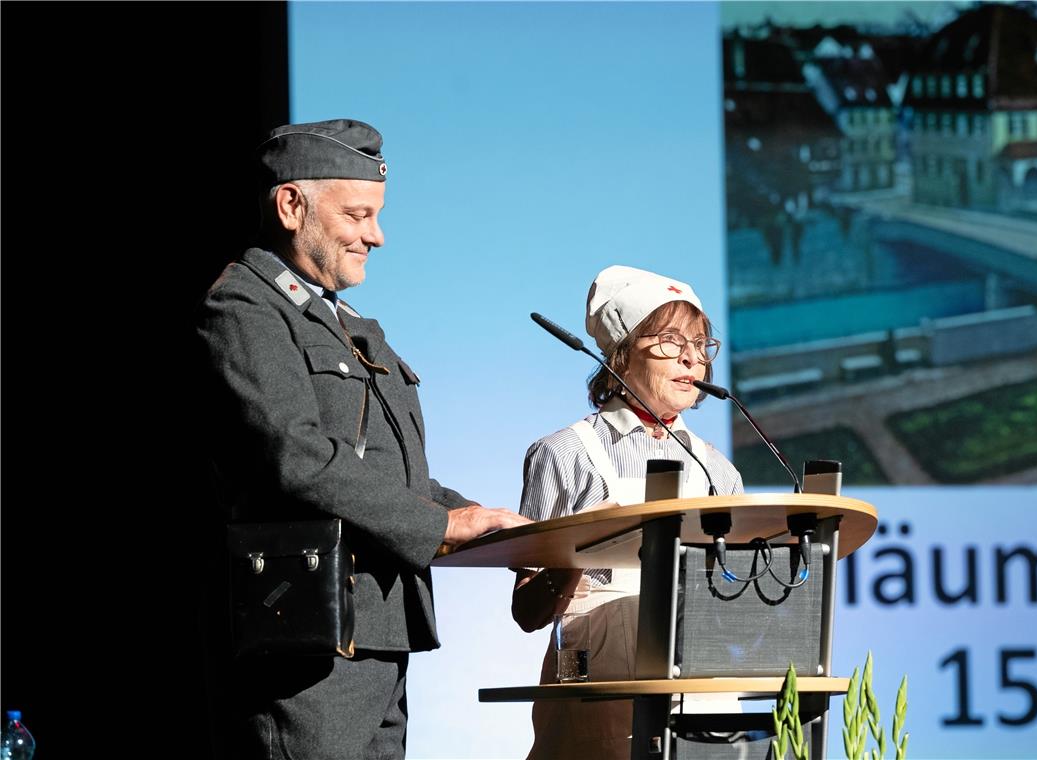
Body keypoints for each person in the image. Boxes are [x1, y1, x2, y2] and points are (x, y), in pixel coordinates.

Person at [195, 118, 530, 760]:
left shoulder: (347, 324)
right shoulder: (244, 308)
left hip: (376, 630)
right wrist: (437, 526)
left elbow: (391, 477)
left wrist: (495, 528)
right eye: (357, 215)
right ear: (292, 206)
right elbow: (297, 459)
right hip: (305, 637)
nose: (376, 235)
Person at [511, 265, 745, 760]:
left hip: (696, 692)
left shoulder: (718, 473)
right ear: (619, 353)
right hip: (585, 672)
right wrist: (581, 547)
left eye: (702, 344)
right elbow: (527, 611)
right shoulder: (564, 454)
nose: (691, 358)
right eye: (669, 340)